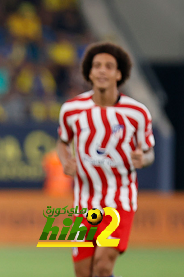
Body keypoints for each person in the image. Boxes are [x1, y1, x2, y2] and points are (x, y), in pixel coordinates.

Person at [57, 42, 155, 277]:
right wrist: (65, 160)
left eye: (109, 66)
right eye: (97, 66)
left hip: (119, 199)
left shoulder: (137, 113)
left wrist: (144, 158)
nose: (102, 71)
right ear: (89, 73)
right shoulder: (71, 109)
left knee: (102, 265)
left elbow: (150, 152)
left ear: (119, 74)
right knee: (83, 273)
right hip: (84, 202)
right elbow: (62, 142)